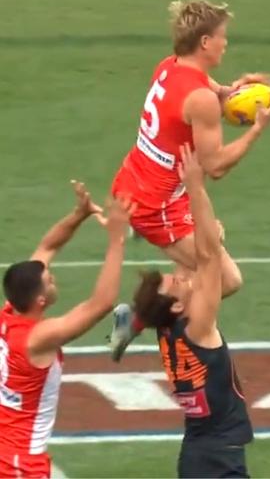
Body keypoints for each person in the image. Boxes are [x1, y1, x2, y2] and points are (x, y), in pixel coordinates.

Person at [109, 0, 270, 361]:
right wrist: (257, 131)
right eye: (222, 37)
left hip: (144, 180)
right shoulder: (199, 96)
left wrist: (243, 90)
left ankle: (139, 324)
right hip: (155, 202)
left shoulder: (171, 67)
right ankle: (153, 330)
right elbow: (215, 166)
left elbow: (215, 96)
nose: (226, 43)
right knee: (226, 279)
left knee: (192, 270)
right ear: (205, 42)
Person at [128, 144, 252, 478]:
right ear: (178, 304)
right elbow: (208, 257)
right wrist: (195, 187)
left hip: (196, 452)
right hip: (219, 457)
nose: (177, 275)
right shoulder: (198, 326)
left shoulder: (169, 324)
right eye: (172, 282)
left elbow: (197, 265)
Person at [0, 182, 133, 478]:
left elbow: (48, 247)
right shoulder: (38, 339)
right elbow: (101, 304)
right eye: (51, 280)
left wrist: (79, 214)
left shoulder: (9, 313)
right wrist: (116, 238)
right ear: (41, 300)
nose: (53, 277)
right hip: (20, 465)